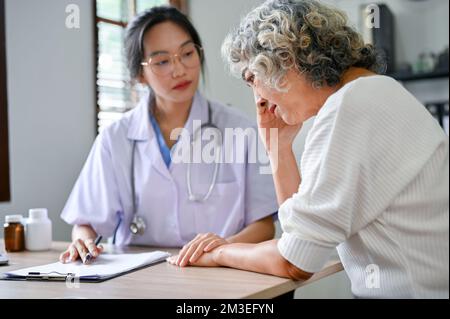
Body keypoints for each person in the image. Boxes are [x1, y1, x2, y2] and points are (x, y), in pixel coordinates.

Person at [168, 0, 449, 299]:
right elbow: (298, 241)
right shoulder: (375, 92)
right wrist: (278, 146)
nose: (258, 98)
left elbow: (294, 263)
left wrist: (220, 252)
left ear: (285, 60)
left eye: (252, 79)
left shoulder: (350, 108)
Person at [59, 6, 278, 267]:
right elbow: (86, 223)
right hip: (141, 279)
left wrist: (221, 250)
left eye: (187, 53)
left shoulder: (241, 130)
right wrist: (82, 241)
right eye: (162, 61)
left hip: (220, 273)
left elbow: (264, 225)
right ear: (140, 74)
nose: (179, 69)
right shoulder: (114, 139)